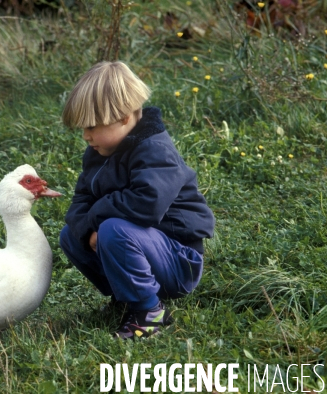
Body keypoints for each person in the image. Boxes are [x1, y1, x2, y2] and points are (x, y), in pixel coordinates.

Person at [59, 61, 215, 339]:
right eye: (83, 128)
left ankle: (149, 311)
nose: (86, 136)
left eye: (93, 126)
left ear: (124, 117)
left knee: (112, 230)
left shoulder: (155, 150)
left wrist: (96, 221)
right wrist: (87, 228)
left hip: (178, 260)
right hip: (144, 247)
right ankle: (127, 296)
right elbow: (81, 199)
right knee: (71, 235)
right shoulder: (99, 151)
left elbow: (147, 204)